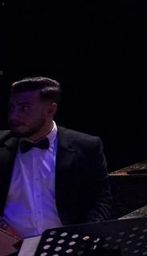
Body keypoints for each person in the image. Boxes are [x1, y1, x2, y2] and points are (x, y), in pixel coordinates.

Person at [1, 77, 112, 239]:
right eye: (12, 108)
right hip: (10, 247)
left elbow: (100, 199)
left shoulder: (86, 146)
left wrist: (87, 234)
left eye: (24, 108)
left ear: (50, 110)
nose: (14, 116)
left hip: (66, 245)